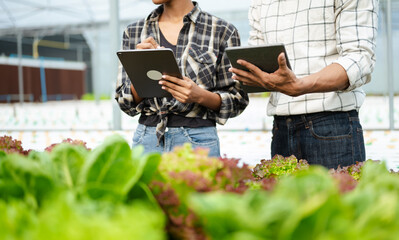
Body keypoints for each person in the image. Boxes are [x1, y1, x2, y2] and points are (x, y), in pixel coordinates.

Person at [229, 0, 379, 169]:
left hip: (332, 125)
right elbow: (258, 51)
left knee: (336, 195)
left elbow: (359, 58)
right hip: (281, 127)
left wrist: (300, 85)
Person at [115, 0, 248, 157]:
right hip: (147, 141)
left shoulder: (222, 31)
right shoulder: (134, 31)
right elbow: (124, 102)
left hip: (198, 141)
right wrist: (142, 69)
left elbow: (237, 100)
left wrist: (200, 96)